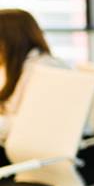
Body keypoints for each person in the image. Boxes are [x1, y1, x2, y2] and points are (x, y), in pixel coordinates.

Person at [0, 9, 69, 151]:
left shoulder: (46, 70)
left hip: (42, 150)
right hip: (20, 144)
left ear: (10, 40)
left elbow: (31, 125)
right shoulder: (15, 67)